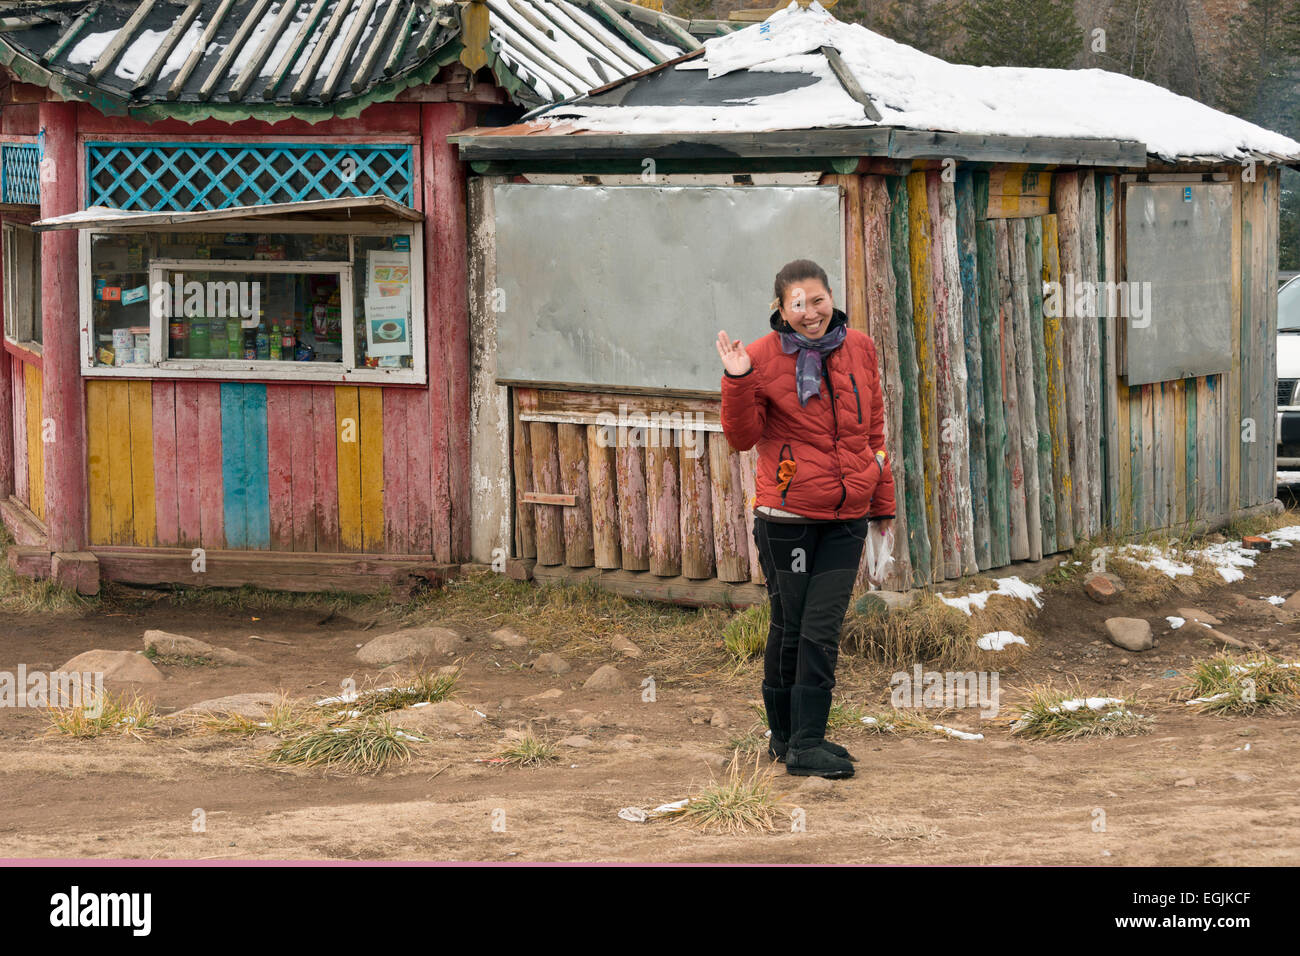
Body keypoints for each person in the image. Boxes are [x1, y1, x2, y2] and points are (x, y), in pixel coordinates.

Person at [716, 259, 895, 779]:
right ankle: (791, 740)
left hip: (846, 518)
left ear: (831, 296)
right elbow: (742, 437)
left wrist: (881, 505)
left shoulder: (859, 347)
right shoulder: (758, 356)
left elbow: (874, 431)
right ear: (782, 308)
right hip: (787, 517)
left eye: (817, 300)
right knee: (793, 627)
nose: (811, 312)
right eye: (798, 303)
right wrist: (737, 379)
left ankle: (804, 739)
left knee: (822, 627)